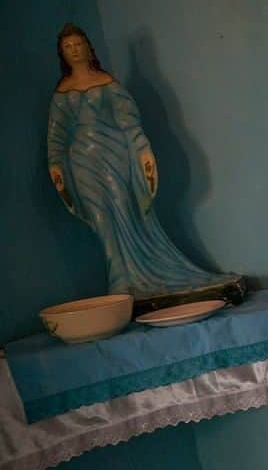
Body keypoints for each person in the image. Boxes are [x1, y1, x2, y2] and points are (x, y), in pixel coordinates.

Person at [46, 23, 235, 302]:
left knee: (125, 210)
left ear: (88, 47)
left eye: (78, 45)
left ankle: (145, 276)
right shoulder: (62, 92)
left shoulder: (107, 83)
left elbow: (129, 122)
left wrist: (142, 151)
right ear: (62, 54)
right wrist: (56, 165)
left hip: (114, 154)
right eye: (68, 47)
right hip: (82, 162)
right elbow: (57, 135)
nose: (74, 50)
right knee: (101, 220)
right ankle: (120, 282)